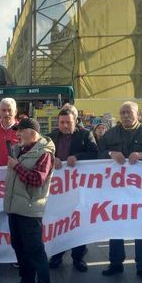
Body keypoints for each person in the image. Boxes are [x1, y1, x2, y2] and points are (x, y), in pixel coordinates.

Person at [98, 101, 142, 283]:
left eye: (129, 112)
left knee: (140, 228)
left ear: (138, 114)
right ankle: (115, 263)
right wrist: (110, 154)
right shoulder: (111, 134)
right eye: (122, 112)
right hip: (116, 190)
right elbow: (99, 153)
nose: (125, 115)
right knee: (115, 227)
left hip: (141, 191)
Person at [4, 118, 56, 283]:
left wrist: (16, 166)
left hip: (30, 209)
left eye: (21, 131)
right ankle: (27, 281)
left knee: (35, 250)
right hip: (15, 208)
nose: (17, 134)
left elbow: (37, 180)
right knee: (19, 246)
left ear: (33, 133)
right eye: (17, 131)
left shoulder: (44, 153)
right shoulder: (19, 150)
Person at [47, 106, 97, 272]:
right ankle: (57, 255)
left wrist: (78, 157)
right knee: (58, 222)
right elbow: (42, 153)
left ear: (75, 121)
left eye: (68, 122)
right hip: (58, 190)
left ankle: (78, 258)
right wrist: (52, 158)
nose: (65, 125)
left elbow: (94, 153)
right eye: (62, 122)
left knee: (78, 223)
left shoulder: (85, 135)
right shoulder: (51, 136)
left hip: (78, 188)